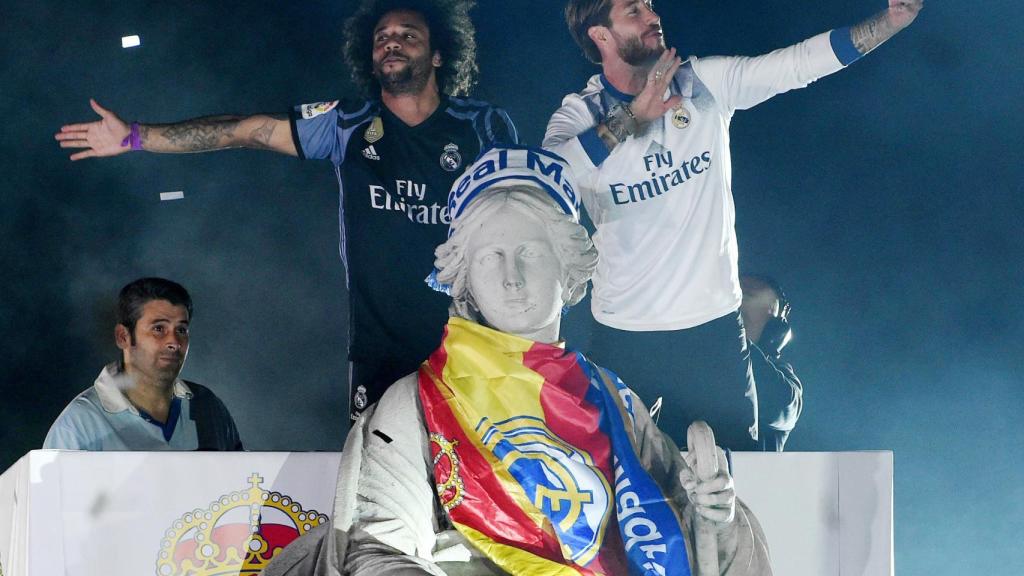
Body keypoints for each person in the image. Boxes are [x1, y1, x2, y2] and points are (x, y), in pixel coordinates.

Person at [261, 148, 772, 576]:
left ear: (569, 269)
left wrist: (717, 517)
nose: (511, 278)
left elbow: (690, 544)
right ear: (466, 281)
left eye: (530, 253)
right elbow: (375, 553)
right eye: (489, 258)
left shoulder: (618, 402)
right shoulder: (417, 401)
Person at [54, 0, 518, 425]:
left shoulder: (482, 126)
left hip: (472, 343)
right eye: (381, 37)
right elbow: (248, 131)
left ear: (439, 54)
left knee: (475, 490)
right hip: (382, 353)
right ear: (369, 56)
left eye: (408, 34)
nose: (391, 41)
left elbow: (521, 223)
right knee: (383, 495)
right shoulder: (347, 124)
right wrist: (137, 137)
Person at [543, 0, 923, 449]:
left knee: (736, 491)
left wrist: (889, 22)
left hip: (713, 332)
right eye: (634, 12)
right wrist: (631, 119)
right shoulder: (579, 113)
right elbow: (550, 175)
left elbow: (795, 65)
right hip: (623, 334)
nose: (653, 16)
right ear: (600, 35)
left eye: (650, 5)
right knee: (614, 487)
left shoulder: (703, 82)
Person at [43, 278, 242, 451]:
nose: (173, 341)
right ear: (123, 337)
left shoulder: (208, 408)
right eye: (159, 328)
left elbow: (241, 486)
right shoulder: (79, 425)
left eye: (181, 330)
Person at [740, 275, 802, 452]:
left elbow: (779, 404)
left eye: (750, 295)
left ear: (775, 330)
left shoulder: (785, 377)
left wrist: (732, 334)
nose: (739, 300)